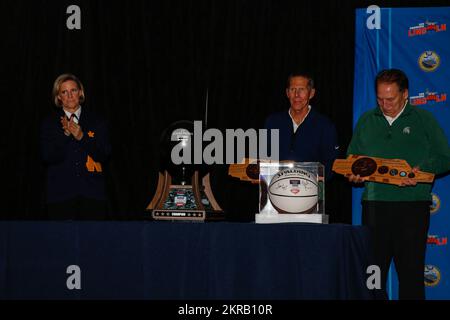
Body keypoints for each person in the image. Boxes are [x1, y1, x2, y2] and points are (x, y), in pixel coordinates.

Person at [347, 69, 450, 299]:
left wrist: (422, 169)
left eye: (390, 98)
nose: (385, 104)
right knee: (373, 274)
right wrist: (353, 175)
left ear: (405, 94)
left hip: (411, 209)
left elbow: (445, 157)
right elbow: (352, 160)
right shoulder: (366, 121)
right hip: (374, 208)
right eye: (380, 99)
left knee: (411, 276)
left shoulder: (424, 120)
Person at [40, 73, 111, 220]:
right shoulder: (49, 123)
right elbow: (47, 157)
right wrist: (65, 135)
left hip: (92, 195)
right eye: (64, 92)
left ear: (80, 92)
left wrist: (82, 137)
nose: (69, 95)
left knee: (93, 241)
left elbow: (104, 154)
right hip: (60, 196)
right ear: (58, 97)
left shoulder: (97, 121)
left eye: (73, 90)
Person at [264, 72, 339, 178]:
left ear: (311, 93)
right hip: (275, 190)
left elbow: (330, 167)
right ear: (287, 93)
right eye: (292, 89)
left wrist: (296, 169)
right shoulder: (272, 122)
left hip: (310, 191)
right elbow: (264, 160)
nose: (296, 95)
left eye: (302, 89)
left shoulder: (325, 126)